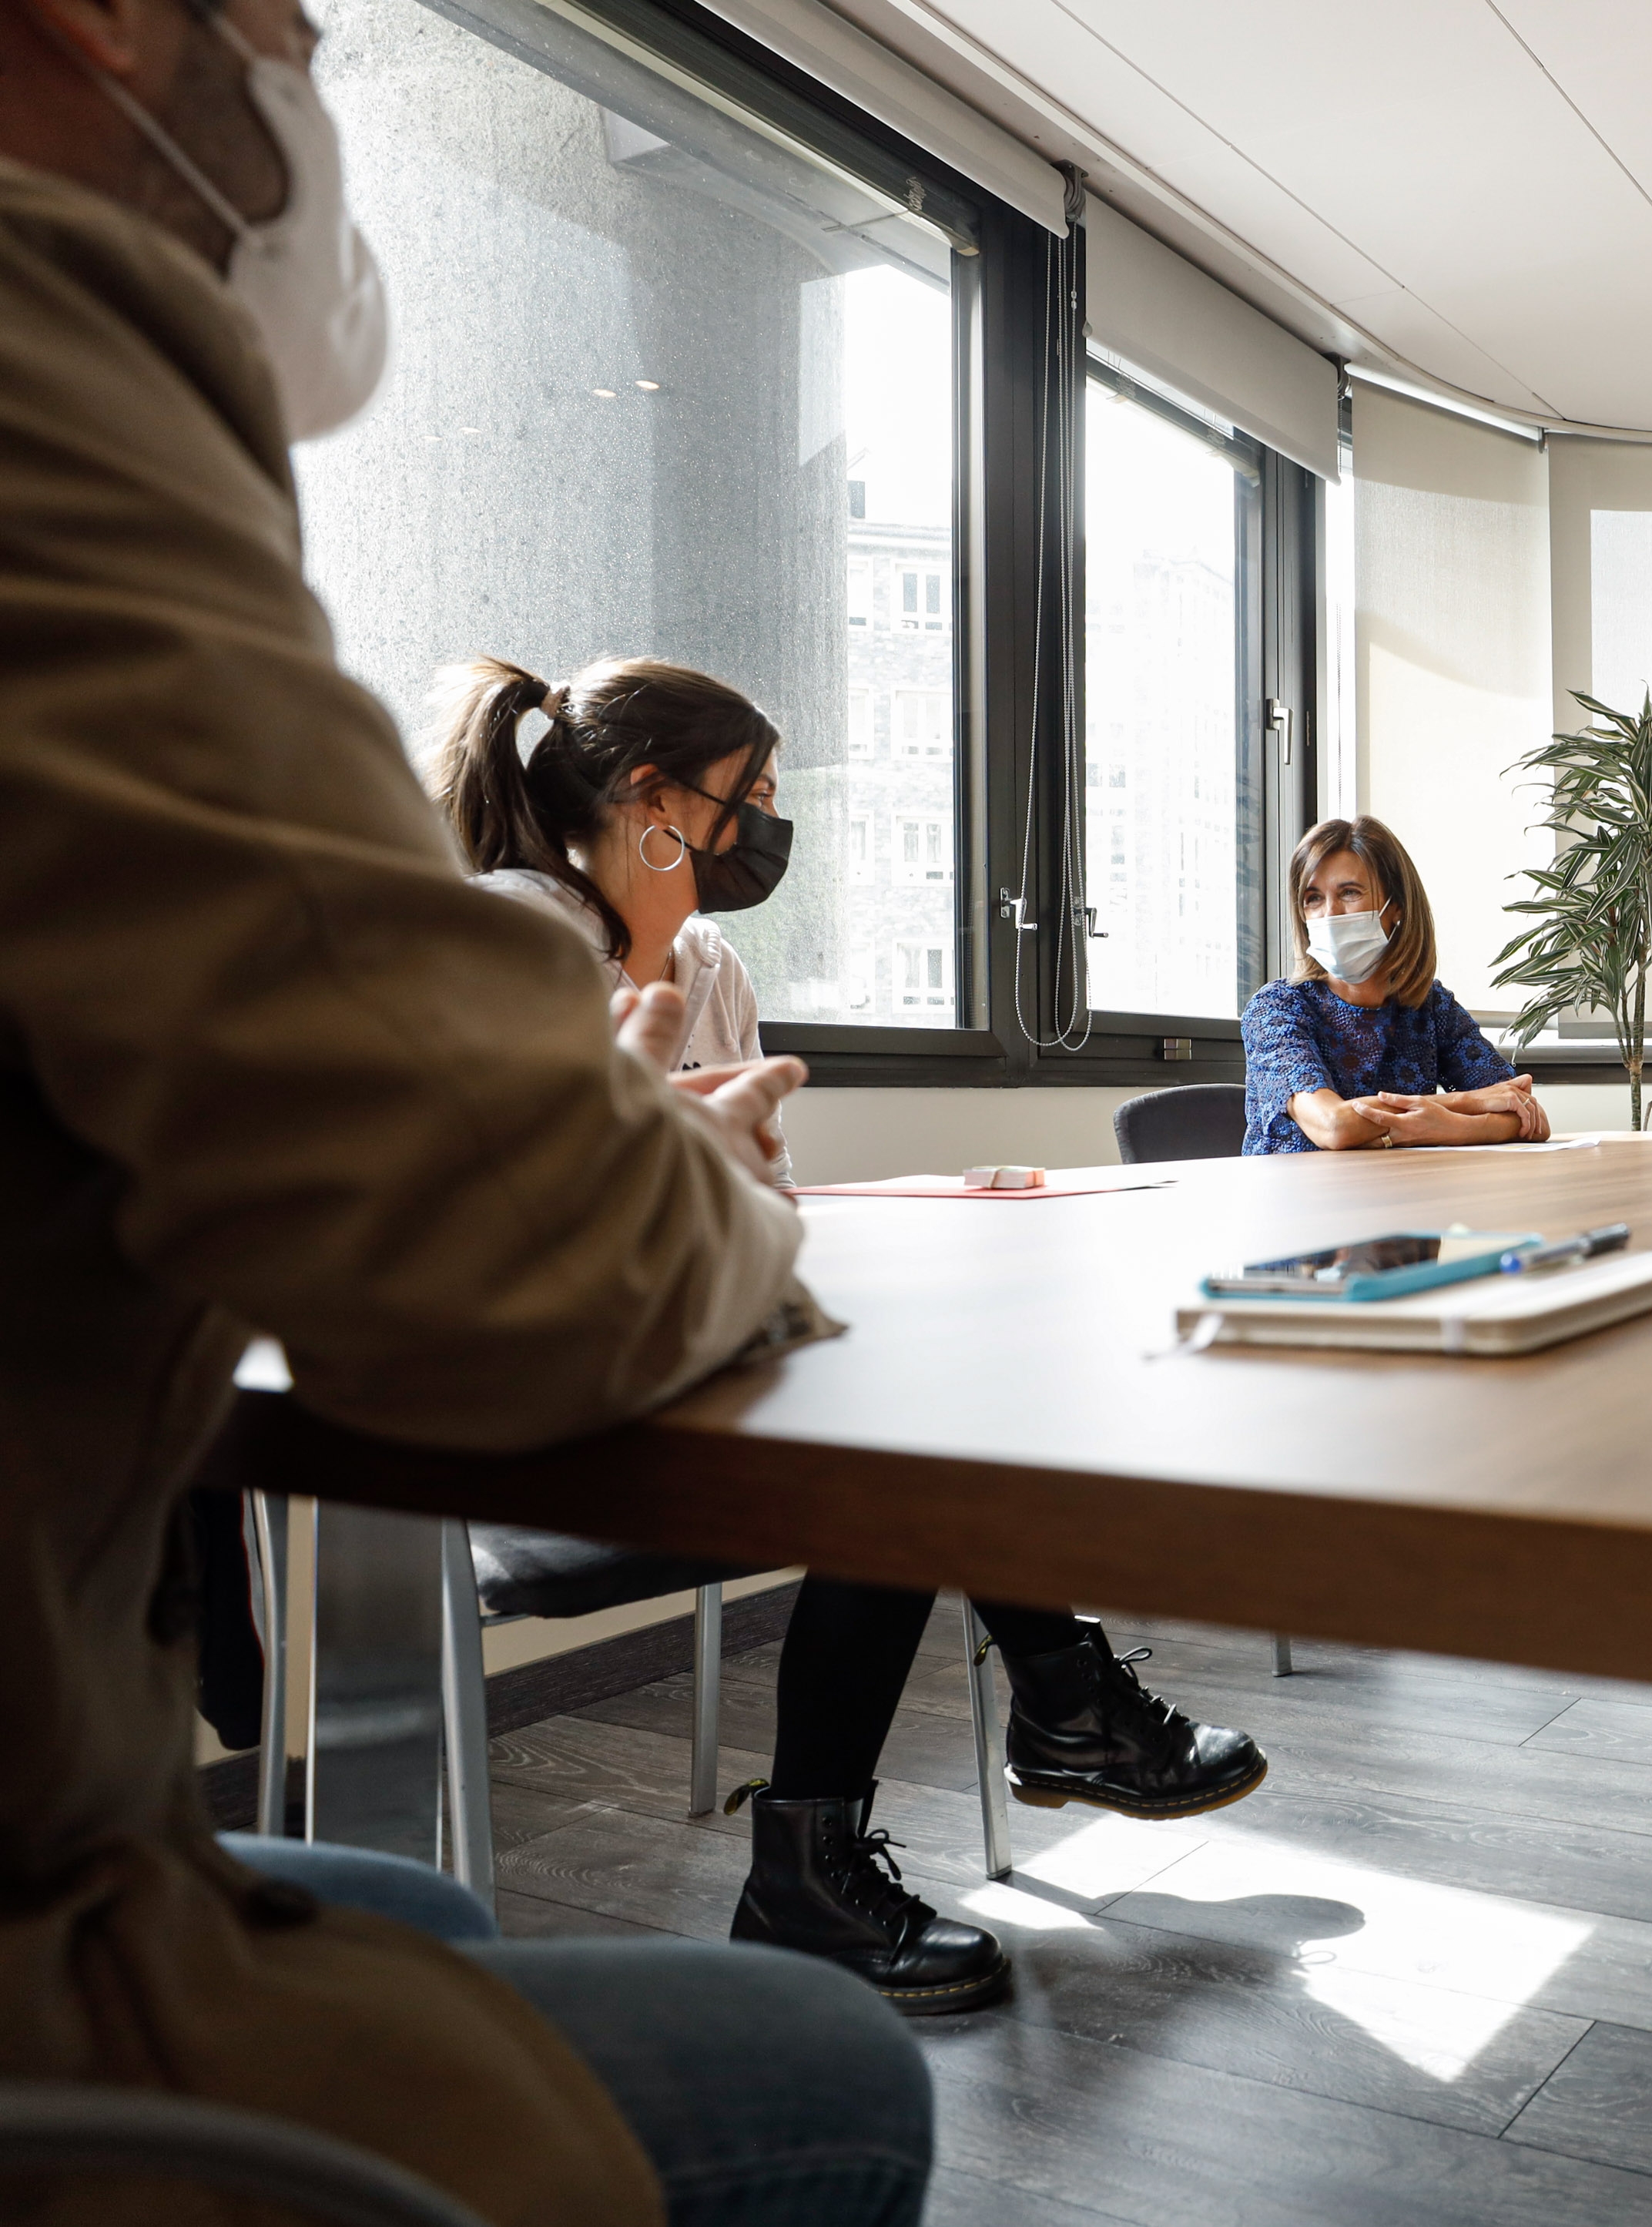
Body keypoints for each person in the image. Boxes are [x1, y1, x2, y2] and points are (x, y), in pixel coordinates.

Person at [0, 4, 933, 2219]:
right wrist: (686, 1173)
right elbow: (544, 1261)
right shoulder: (53, 396)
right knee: (829, 2075)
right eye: (299, 29)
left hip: (82, 1799)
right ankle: (855, 1846)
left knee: (419, 1924)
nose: (321, 84)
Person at [435, 654, 1270, 2014]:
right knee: (904, 1439)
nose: (770, 823)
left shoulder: (703, 962)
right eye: (749, 794)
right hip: (530, 1410)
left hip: (679, 1366)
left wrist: (857, 1201)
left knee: (942, 1397)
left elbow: (752, 1211)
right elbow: (482, 1224)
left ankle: (909, 1809)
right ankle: (1054, 1716)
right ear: (655, 798)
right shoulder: (499, 938)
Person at [1242, 814, 1550, 1152]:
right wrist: (1467, 1105)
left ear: (1397, 907)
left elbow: (1524, 1114)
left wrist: (1445, 1129)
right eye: (1313, 898)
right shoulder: (1276, 1008)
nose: (1330, 913)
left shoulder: (1430, 1007)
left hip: (1398, 1195)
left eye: (1349, 893)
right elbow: (1334, 1126)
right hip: (1296, 1200)